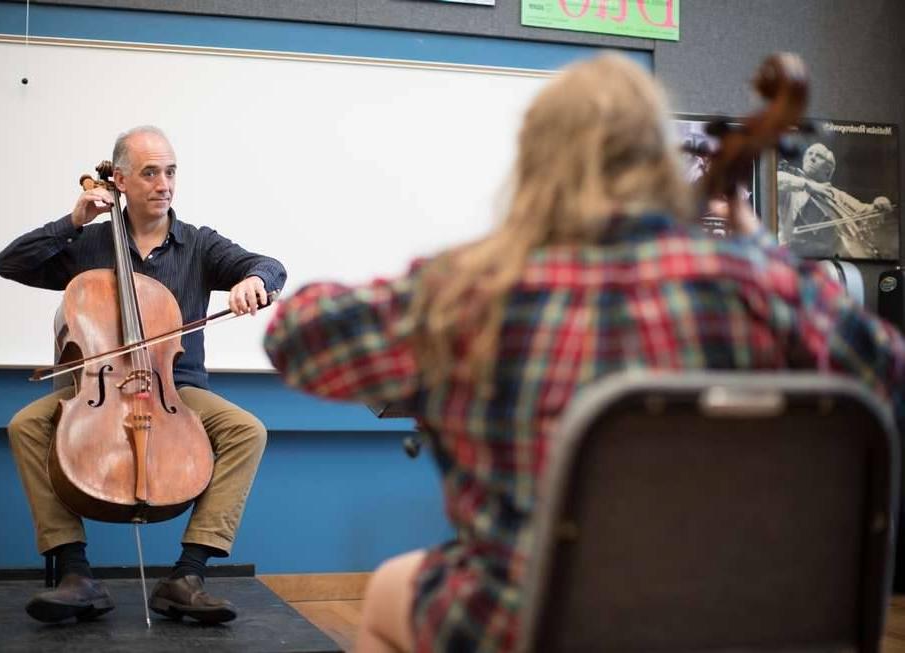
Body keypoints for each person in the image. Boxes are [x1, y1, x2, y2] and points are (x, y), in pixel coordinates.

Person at [262, 55, 905, 652]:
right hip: (746, 626)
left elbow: (295, 339)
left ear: (536, 167)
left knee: (388, 590)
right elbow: (884, 366)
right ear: (660, 164)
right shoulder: (762, 286)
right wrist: (762, 253)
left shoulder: (467, 291)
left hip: (536, 625)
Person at [0, 125, 286, 624]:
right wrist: (72, 220)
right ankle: (75, 571)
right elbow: (10, 263)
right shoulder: (87, 244)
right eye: (150, 173)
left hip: (177, 387)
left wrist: (255, 281)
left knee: (247, 430)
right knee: (25, 425)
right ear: (121, 181)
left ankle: (188, 574)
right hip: (96, 387)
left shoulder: (198, 244)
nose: (164, 184)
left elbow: (269, 265)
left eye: (170, 171)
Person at [777, 141, 894, 258]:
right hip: (793, 256)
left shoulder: (837, 194)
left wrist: (880, 203)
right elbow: (773, 179)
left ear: (828, 170)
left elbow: (866, 211)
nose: (812, 158)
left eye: (819, 156)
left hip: (838, 255)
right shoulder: (793, 184)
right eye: (809, 153)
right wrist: (808, 185)